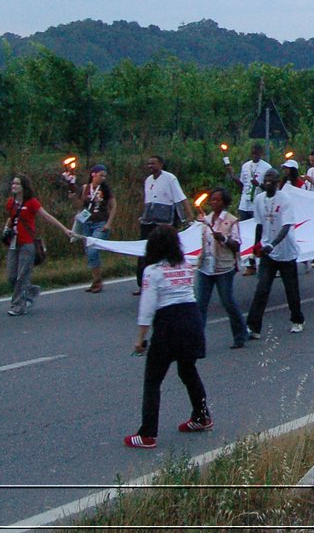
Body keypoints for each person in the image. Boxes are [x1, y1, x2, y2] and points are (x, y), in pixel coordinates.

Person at [125, 225, 211, 448]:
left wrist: (140, 340)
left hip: (168, 325)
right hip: (192, 320)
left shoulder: (152, 271)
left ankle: (147, 433)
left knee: (153, 380)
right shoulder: (185, 265)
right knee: (188, 370)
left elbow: (147, 308)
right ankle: (201, 416)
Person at [245, 168, 305, 337]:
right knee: (262, 289)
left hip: (286, 251)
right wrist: (256, 246)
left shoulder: (285, 200)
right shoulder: (259, 200)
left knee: (291, 289)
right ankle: (253, 327)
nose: (269, 182)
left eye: (272, 180)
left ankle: (297, 319)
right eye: (266, 179)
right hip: (268, 252)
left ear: (278, 183)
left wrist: (272, 244)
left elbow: (286, 227)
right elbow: (259, 224)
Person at [3, 174, 71, 316]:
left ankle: (18, 305)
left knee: (22, 275)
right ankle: (30, 291)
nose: (13, 186)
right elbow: (11, 218)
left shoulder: (31, 203)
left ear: (24, 187)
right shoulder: (11, 202)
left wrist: (64, 229)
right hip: (14, 243)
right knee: (11, 276)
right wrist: (6, 230)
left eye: (17, 184)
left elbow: (46, 216)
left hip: (27, 244)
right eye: (13, 183)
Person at [193, 189, 247, 349]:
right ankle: (197, 341)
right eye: (212, 200)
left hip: (223, 267)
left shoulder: (231, 221)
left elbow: (237, 245)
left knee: (228, 302)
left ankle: (240, 334)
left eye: (217, 200)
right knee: (200, 304)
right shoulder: (206, 219)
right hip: (205, 267)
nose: (213, 203)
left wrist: (223, 238)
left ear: (224, 203)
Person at [137, 156, 192, 293]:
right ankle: (142, 283)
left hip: (166, 221)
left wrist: (189, 215)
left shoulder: (170, 178)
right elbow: (147, 201)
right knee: (144, 249)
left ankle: (171, 280)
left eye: (153, 163)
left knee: (167, 251)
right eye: (149, 164)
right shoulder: (148, 180)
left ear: (161, 164)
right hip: (149, 220)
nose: (150, 166)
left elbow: (181, 198)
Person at [69, 164, 116, 292]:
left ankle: (97, 281)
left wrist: (108, 223)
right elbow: (79, 206)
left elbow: (113, 206)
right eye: (101, 175)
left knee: (93, 250)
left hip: (100, 222)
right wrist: (73, 198)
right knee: (89, 251)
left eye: (105, 176)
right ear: (93, 174)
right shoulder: (85, 188)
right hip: (87, 222)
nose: (103, 178)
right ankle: (96, 280)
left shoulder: (105, 189)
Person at [229, 144, 273, 275]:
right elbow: (242, 185)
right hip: (245, 203)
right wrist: (233, 176)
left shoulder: (267, 168)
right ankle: (247, 261)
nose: (254, 155)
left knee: (257, 234)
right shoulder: (245, 166)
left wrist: (259, 184)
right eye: (252, 153)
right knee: (243, 232)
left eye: (257, 153)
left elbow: (270, 188)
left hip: (258, 204)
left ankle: (255, 261)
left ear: (261, 154)